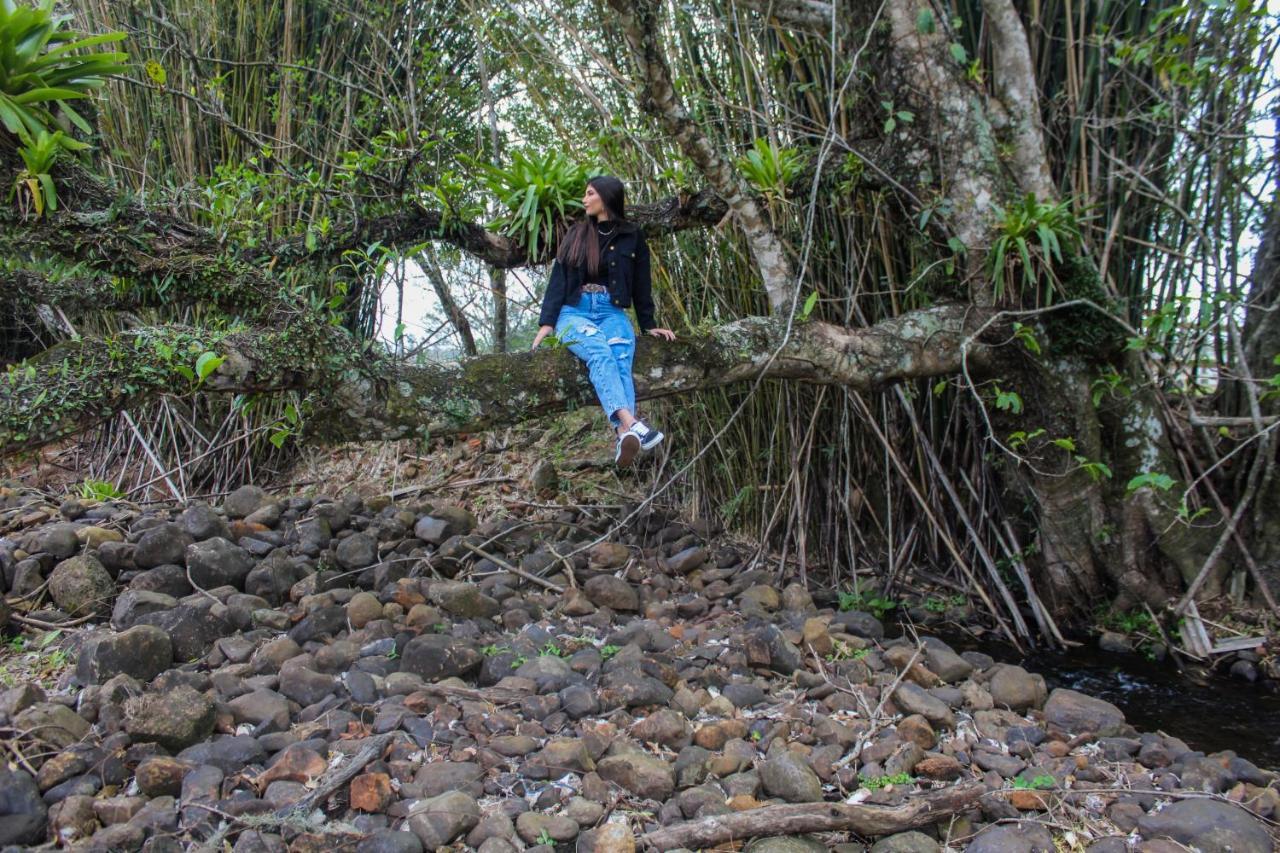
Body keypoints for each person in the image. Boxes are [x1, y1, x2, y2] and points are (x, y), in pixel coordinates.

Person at [532, 175, 676, 467]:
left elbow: (640, 283)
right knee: (599, 350)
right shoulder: (576, 233)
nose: (584, 200)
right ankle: (631, 424)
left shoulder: (632, 235)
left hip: (611, 310)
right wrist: (547, 323)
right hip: (574, 312)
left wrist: (648, 324)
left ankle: (624, 436)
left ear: (606, 197)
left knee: (621, 355)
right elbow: (558, 279)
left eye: (589, 194)